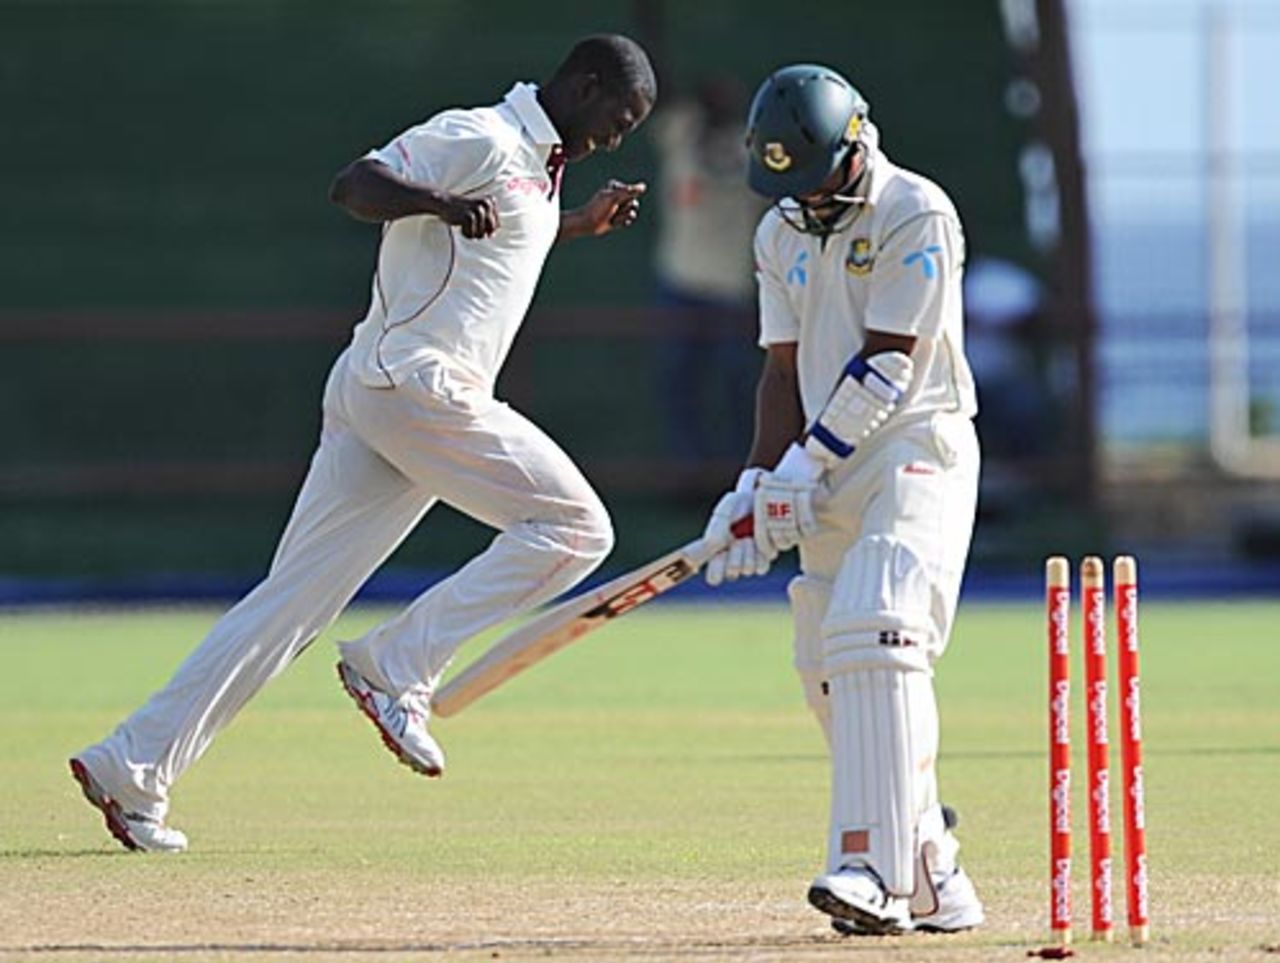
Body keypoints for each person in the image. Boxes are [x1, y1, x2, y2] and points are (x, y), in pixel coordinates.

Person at [69, 34, 657, 853]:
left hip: (387, 397)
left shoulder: (540, 167)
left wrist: (576, 225)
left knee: (288, 607)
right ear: (586, 84)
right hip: (414, 385)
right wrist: (441, 203)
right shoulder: (482, 134)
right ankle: (397, 665)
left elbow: (498, 242)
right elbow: (356, 183)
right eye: (619, 117)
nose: (617, 137)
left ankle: (133, 764)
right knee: (578, 529)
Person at [701, 64, 985, 935]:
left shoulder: (916, 211)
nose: (807, 206)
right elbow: (782, 369)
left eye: (817, 185)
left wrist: (802, 466)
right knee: (826, 662)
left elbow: (894, 360)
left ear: (857, 143)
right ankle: (934, 866)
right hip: (824, 462)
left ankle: (872, 867)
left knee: (878, 625)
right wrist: (756, 480)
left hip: (915, 446)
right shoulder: (780, 229)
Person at [650, 76, 765, 465]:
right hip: (680, 278)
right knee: (678, 382)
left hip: (732, 285)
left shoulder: (752, 149)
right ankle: (688, 469)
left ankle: (740, 467)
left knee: (738, 384)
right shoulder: (682, 134)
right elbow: (654, 86)